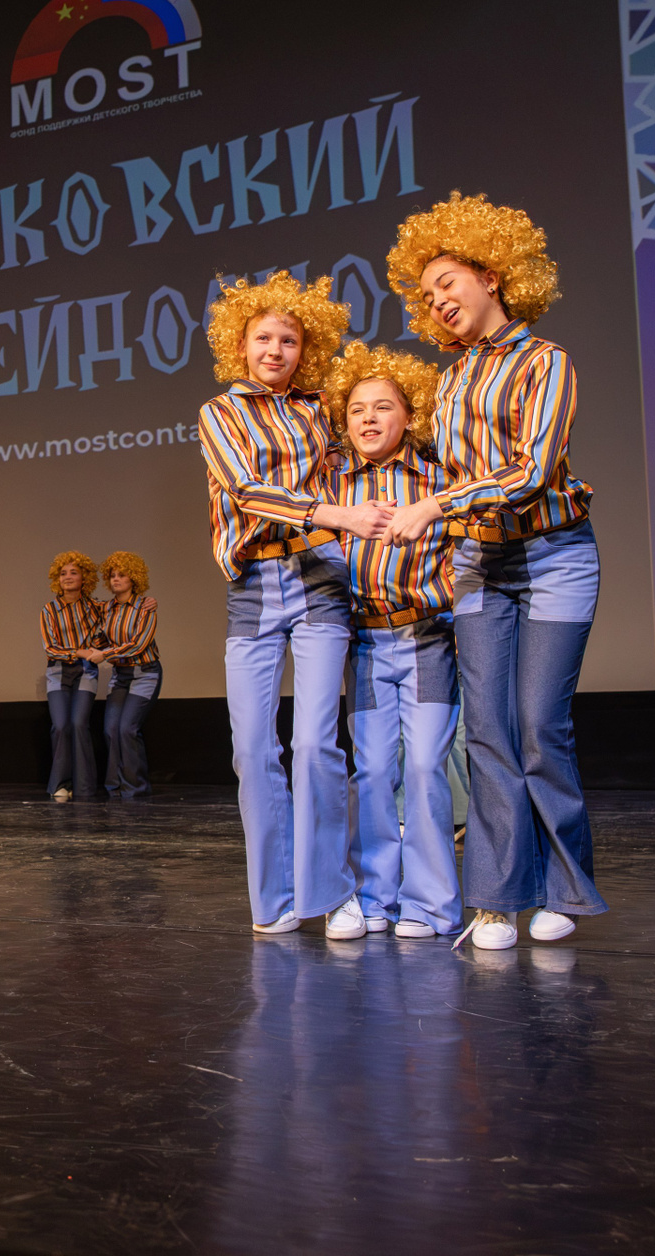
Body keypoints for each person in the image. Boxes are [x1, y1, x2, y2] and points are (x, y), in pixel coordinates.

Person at [384, 192, 603, 951]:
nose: (437, 301)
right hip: (480, 562)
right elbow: (442, 474)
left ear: (494, 275)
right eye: (425, 296)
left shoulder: (548, 362)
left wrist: (437, 505)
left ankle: (562, 890)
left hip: (553, 555)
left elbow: (533, 471)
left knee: (540, 725)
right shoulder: (448, 383)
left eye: (447, 283)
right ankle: (497, 898)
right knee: (486, 733)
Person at [197, 272, 390, 939]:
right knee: (253, 751)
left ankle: (333, 894)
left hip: (319, 577)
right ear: (239, 345)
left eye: (288, 340)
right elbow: (246, 490)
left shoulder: (322, 410)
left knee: (313, 743)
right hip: (254, 584)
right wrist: (339, 514)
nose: (275, 350)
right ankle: (273, 901)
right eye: (263, 338)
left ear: (304, 349)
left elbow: (363, 458)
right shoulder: (219, 412)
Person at [323, 341, 463, 940]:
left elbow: (465, 555)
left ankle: (430, 904)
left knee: (427, 766)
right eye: (357, 409)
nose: (369, 419)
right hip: (365, 646)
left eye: (383, 406)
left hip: (427, 639)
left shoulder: (438, 480)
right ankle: (375, 898)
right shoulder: (331, 487)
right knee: (374, 770)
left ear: (410, 414)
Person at [91, 551, 160, 799]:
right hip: (120, 675)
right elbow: (100, 638)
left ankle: (136, 789)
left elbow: (138, 645)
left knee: (127, 729)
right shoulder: (107, 608)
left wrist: (105, 654)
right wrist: (91, 647)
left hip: (144, 673)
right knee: (111, 730)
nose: (116, 579)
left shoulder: (145, 606)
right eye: (113, 576)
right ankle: (116, 787)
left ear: (134, 578)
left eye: (122, 575)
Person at [40, 550, 103, 803]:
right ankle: (61, 783)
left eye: (73, 572)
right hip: (58, 672)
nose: (67, 577)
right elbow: (50, 648)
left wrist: (148, 602)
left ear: (84, 577)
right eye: (63, 573)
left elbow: (108, 629)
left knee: (78, 724)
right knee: (60, 726)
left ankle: (84, 786)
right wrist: (79, 651)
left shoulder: (96, 607)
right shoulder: (50, 609)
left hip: (85, 671)